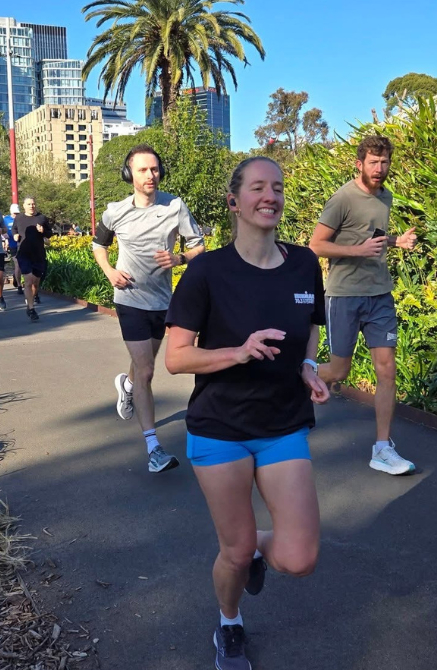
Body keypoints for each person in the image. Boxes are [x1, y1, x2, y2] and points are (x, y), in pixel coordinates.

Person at [165, 156, 329, 669]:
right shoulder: (207, 270)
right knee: (233, 555)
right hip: (221, 429)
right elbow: (175, 357)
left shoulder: (304, 264)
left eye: (277, 187)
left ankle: (256, 545)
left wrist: (306, 364)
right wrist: (236, 352)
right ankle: (229, 624)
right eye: (257, 187)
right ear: (234, 201)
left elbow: (311, 328)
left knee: (299, 558)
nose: (270, 196)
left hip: (282, 425)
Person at [309, 135, 418, 475]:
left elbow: (373, 236)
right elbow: (316, 245)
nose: (380, 169)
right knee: (339, 371)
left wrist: (396, 241)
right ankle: (294, 380)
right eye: (374, 162)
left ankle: (382, 449)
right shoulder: (342, 198)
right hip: (344, 295)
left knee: (387, 371)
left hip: (379, 295)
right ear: (359, 164)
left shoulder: (385, 196)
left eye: (385, 162)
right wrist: (357, 251)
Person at [92, 144, 205, 473]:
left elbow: (198, 248)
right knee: (147, 371)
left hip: (162, 302)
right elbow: (99, 246)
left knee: (143, 366)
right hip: (129, 300)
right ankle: (153, 447)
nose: (150, 175)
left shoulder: (175, 206)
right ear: (130, 174)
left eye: (154, 169)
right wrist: (110, 271)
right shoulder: (115, 211)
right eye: (142, 170)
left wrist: (179, 258)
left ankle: (126, 386)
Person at [12, 197, 52, 322]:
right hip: (24, 254)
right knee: (28, 281)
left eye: (33, 204)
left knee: (35, 282)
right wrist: (15, 235)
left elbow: (50, 233)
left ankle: (33, 298)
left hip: (38, 254)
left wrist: (43, 231)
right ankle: (31, 308)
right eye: (29, 204)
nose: (31, 206)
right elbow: (14, 229)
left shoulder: (42, 218)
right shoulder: (19, 218)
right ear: (23, 206)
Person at [4, 203, 23, 294]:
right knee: (17, 264)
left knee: (23, 265)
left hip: (23, 244)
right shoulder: (6, 219)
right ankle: (19, 285)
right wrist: (5, 238)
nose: (16, 215)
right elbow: (3, 230)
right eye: (15, 213)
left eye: (17, 213)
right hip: (13, 245)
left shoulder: (22, 218)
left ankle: (16, 276)